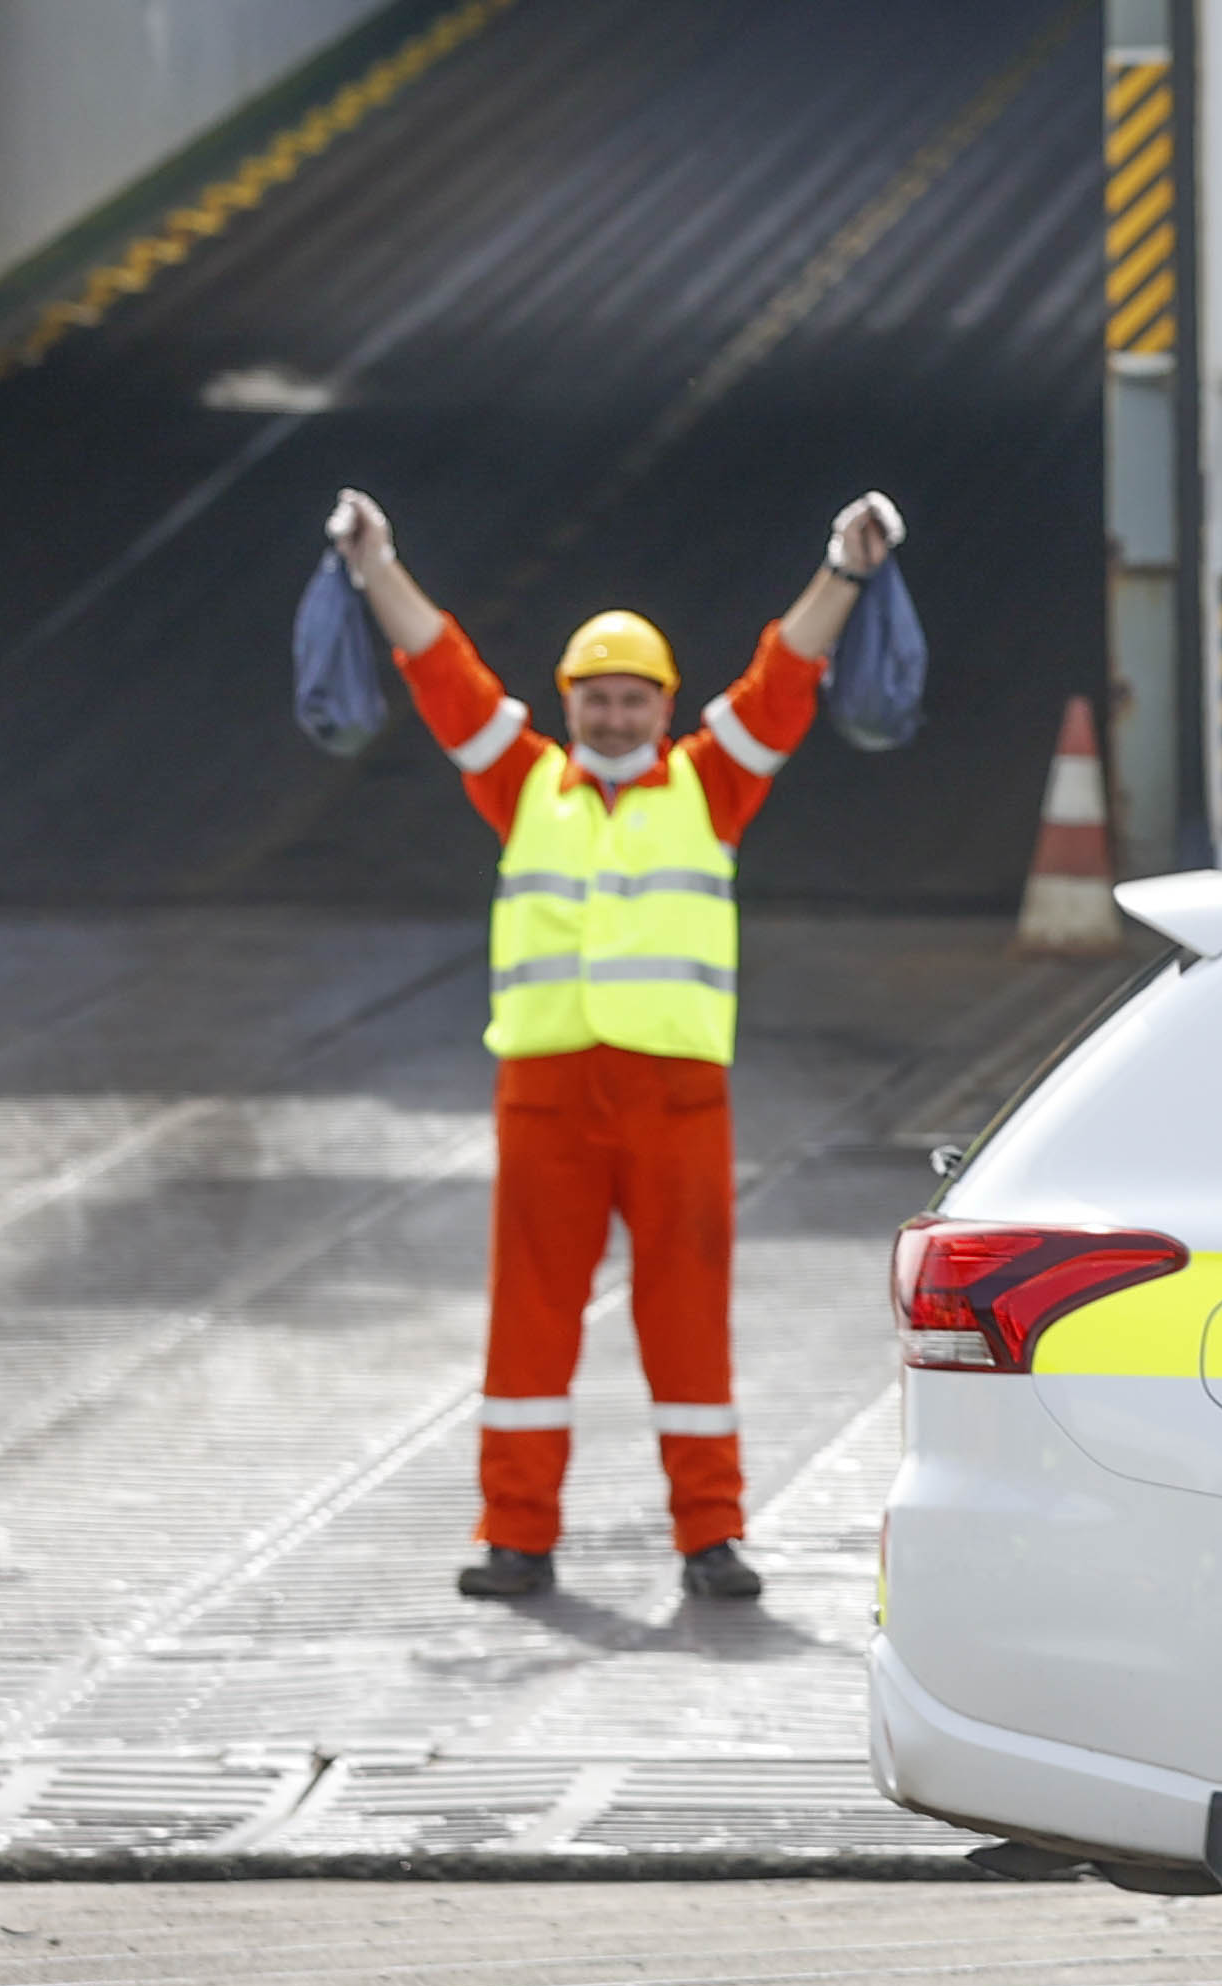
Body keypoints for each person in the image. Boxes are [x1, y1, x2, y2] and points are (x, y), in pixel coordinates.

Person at [325, 481, 903, 1604]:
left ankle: (710, 1536)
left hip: (675, 1096)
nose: (616, 717)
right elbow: (443, 675)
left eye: (635, 699)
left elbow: (783, 677)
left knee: (686, 1317)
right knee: (528, 1318)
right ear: (570, 705)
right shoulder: (522, 780)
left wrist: (845, 567)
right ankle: (517, 1535)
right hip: (547, 1092)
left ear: (664, 706)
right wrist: (374, 564)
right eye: (596, 699)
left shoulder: (711, 782)